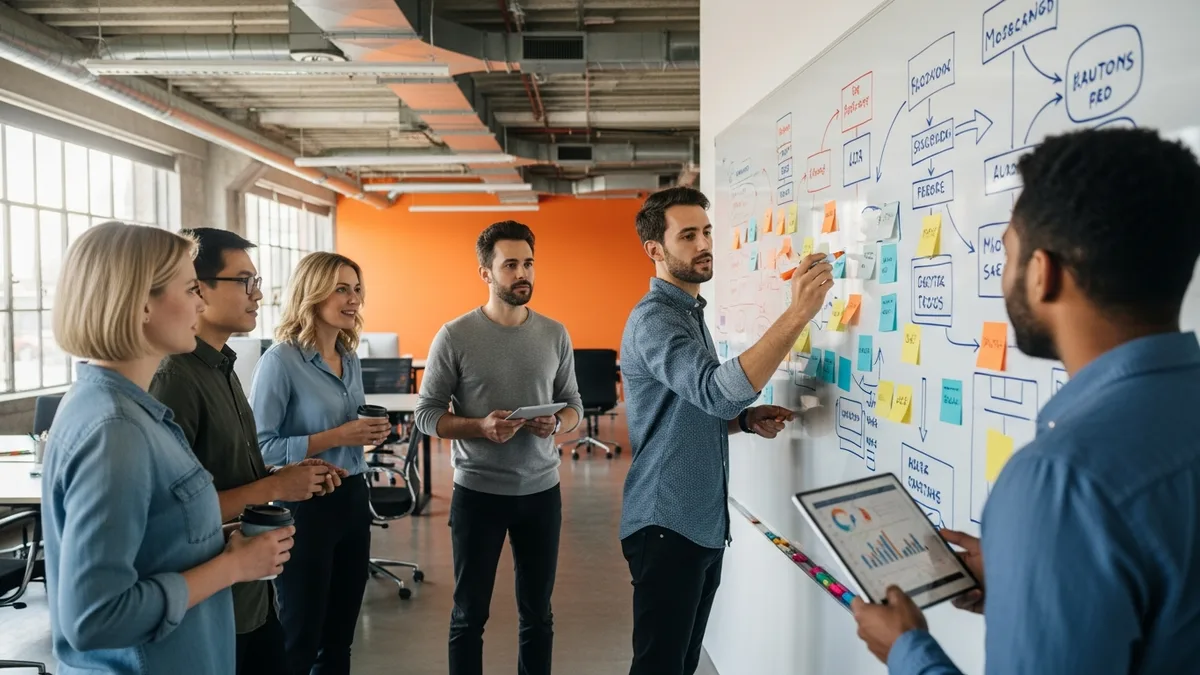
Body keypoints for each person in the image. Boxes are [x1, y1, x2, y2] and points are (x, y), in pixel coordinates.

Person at [852, 128, 1200, 674]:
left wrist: (907, 651)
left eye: (1006, 256)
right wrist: (1036, 578)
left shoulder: (1062, 482)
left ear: (1043, 273)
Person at [41, 222, 294, 674]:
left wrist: (217, 542)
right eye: (190, 287)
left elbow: (151, 542)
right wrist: (232, 567)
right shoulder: (114, 429)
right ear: (141, 303)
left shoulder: (131, 409)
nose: (200, 302)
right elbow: (95, 617)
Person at [620, 186, 833, 675]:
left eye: (708, 231)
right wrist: (798, 311)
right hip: (666, 521)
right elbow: (716, 391)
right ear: (654, 249)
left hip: (697, 522)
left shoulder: (689, 314)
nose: (704, 244)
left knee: (682, 663)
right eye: (688, 235)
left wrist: (740, 421)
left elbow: (692, 408)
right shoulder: (657, 320)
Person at [149, 228, 347, 675]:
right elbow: (171, 515)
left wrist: (286, 472)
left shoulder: (223, 367)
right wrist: (276, 484)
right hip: (210, 599)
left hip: (250, 592)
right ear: (197, 289)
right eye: (244, 282)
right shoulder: (174, 379)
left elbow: (230, 471)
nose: (257, 295)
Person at [414, 220, 584, 675]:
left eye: (528, 263)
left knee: (538, 615)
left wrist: (557, 423)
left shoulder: (554, 334)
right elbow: (427, 414)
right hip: (479, 495)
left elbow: (574, 405)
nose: (522, 273)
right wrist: (478, 426)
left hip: (541, 493)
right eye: (510, 264)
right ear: (485, 273)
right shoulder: (455, 336)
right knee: (469, 615)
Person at [249, 252, 391, 675]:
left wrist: (369, 436)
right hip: (304, 505)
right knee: (300, 637)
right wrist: (337, 436)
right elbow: (260, 447)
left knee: (339, 640)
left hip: (351, 498)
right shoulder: (280, 361)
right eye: (341, 288)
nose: (353, 299)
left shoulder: (350, 358)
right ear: (312, 293)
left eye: (357, 289)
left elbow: (353, 432)